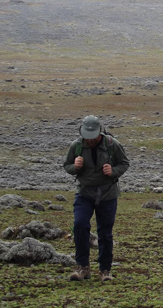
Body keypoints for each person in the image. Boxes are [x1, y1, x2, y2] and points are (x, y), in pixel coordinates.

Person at [63, 115, 130, 282]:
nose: (90, 141)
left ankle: (105, 270)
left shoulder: (112, 145)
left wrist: (113, 171)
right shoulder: (76, 146)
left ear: (99, 132)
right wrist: (75, 167)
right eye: (87, 137)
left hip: (107, 194)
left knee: (105, 233)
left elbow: (124, 163)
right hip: (84, 192)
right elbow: (67, 166)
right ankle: (82, 267)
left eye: (92, 137)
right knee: (79, 225)